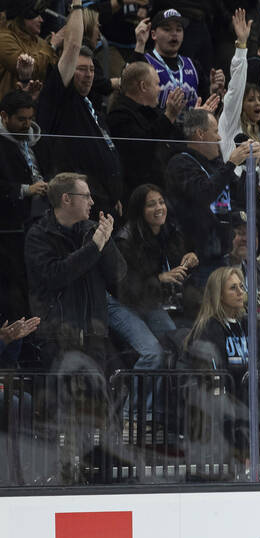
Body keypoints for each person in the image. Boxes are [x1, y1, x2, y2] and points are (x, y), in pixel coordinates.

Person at [25, 172, 127, 367]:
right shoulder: (38, 235)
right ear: (66, 199)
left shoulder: (94, 231)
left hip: (93, 334)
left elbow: (118, 274)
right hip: (57, 336)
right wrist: (94, 247)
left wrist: (106, 244)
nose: (92, 201)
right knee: (60, 396)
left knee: (96, 396)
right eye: (86, 196)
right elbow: (55, 276)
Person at [36, 5, 124, 216]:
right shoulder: (61, 97)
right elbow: (74, 45)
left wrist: (115, 195)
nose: (89, 75)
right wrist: (76, 5)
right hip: (75, 205)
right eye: (82, 69)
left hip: (104, 203)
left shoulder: (89, 104)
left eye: (92, 69)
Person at [165, 108, 258, 272]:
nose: (219, 138)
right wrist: (231, 164)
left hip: (222, 255)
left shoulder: (217, 164)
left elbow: (242, 198)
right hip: (195, 261)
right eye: (215, 132)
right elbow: (203, 195)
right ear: (200, 134)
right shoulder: (180, 164)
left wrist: (251, 167)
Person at [111, 183, 195, 364]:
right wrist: (160, 278)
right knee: (153, 354)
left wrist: (189, 259)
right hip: (119, 303)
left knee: (177, 344)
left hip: (147, 300)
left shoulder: (166, 231)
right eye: (151, 205)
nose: (159, 208)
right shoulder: (125, 240)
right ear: (139, 210)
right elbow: (126, 289)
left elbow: (176, 264)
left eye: (161, 202)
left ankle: (163, 393)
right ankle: (137, 394)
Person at [106, 61, 191, 208]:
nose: (160, 89)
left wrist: (195, 123)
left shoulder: (153, 111)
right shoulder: (119, 116)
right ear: (143, 86)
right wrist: (169, 115)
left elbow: (175, 137)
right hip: (138, 198)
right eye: (157, 84)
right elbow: (142, 148)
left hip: (163, 191)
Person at [220, 8, 260, 204]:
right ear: (241, 105)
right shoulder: (232, 124)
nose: (258, 104)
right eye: (251, 100)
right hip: (241, 197)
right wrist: (241, 46)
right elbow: (236, 86)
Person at [0, 89, 46, 324]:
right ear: (4, 116)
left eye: (30, 119)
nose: (27, 125)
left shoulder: (30, 140)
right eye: (21, 119)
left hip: (34, 221)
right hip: (9, 228)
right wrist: (26, 190)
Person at [0, 0, 57, 98]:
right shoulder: (3, 39)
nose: (41, 20)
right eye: (36, 15)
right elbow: (28, 69)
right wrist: (51, 46)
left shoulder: (40, 42)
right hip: (10, 108)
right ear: (22, 17)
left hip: (35, 107)